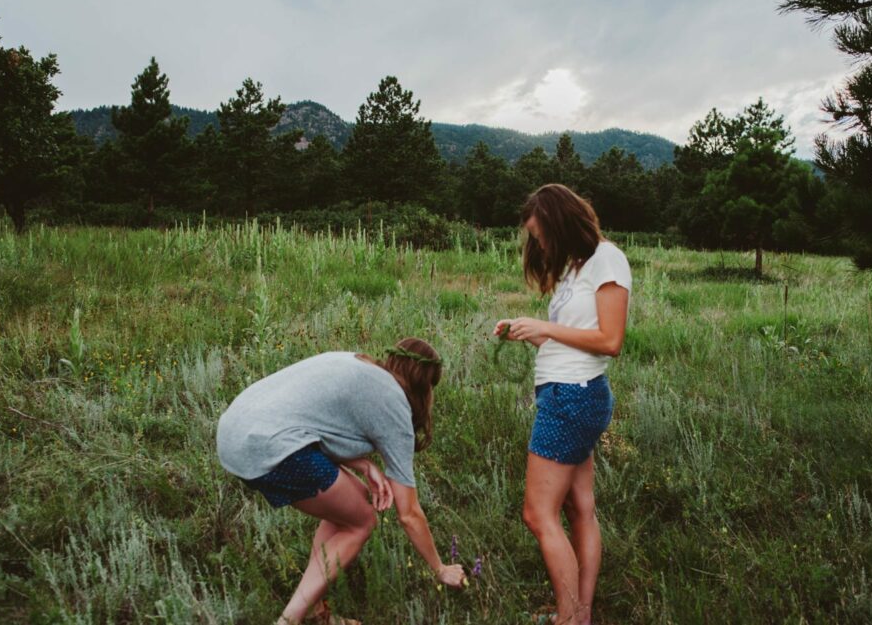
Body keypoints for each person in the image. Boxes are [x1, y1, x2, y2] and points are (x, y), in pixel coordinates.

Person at [216, 338, 465, 625]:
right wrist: (439, 568)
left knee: (352, 504)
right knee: (362, 521)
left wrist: (362, 464)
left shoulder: (356, 361)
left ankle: (315, 612)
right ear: (426, 388)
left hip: (233, 432)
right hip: (268, 448)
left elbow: (310, 419)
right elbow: (409, 514)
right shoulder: (395, 404)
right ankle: (290, 620)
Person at [494, 184, 631, 625]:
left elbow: (610, 341)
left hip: (573, 396)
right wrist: (531, 331)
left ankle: (570, 618)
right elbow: (577, 338)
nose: (540, 244)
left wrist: (546, 330)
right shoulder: (577, 269)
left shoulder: (606, 258)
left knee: (538, 513)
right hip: (570, 391)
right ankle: (580, 614)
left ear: (559, 220)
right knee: (579, 508)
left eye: (541, 234)